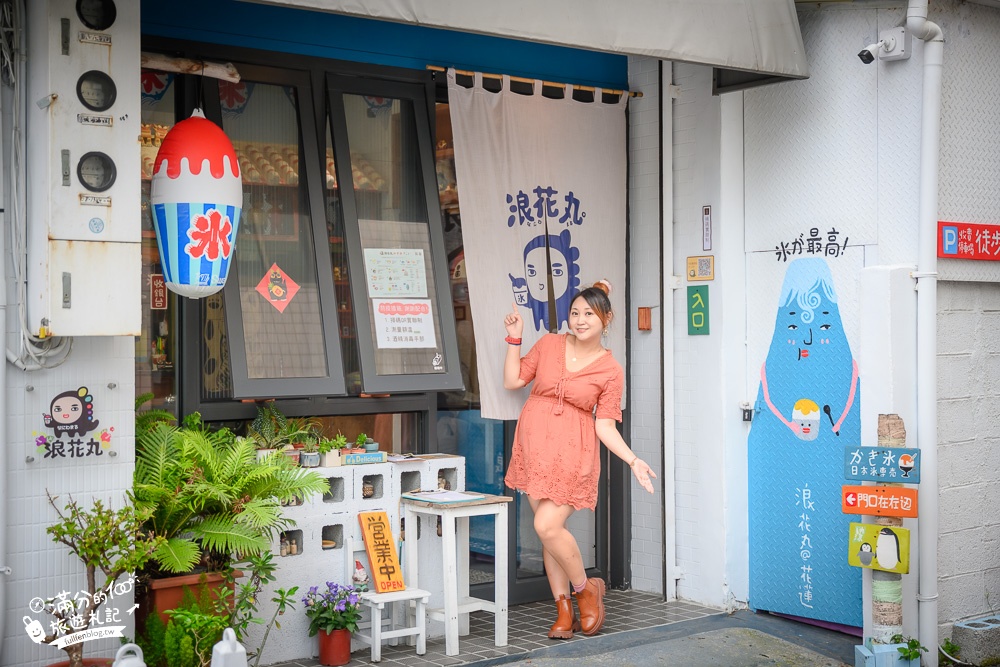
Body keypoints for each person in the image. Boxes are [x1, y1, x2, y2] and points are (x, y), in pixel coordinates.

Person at [502, 280, 656, 640]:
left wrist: (633, 461)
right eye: (575, 313)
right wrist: (515, 337)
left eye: (589, 313)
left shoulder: (610, 370)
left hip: (573, 451)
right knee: (549, 534)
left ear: (606, 318)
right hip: (535, 447)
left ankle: (586, 589)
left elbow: (605, 425)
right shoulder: (549, 343)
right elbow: (513, 380)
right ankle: (562, 610)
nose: (580, 320)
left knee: (547, 526)